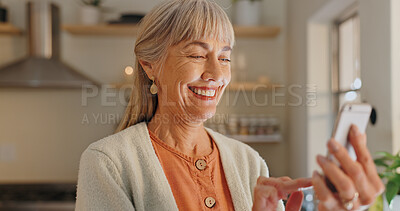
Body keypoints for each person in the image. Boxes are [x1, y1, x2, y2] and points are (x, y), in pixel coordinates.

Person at [75, 0, 384, 210]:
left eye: (225, 57)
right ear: (149, 66)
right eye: (197, 55)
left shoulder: (250, 162)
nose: (216, 74)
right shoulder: (108, 163)